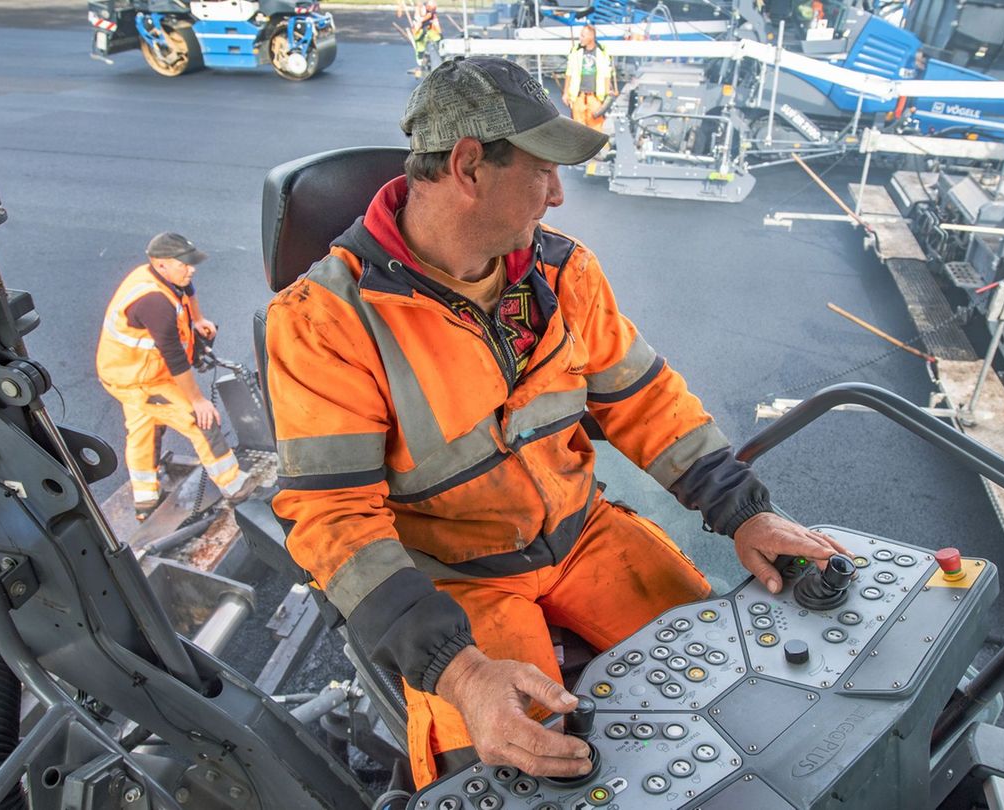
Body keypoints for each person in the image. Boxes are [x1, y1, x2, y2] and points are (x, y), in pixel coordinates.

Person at [265, 56, 845, 789]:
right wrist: (461, 671)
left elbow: (643, 398)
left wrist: (746, 514)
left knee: (746, 683)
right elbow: (333, 518)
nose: (558, 195)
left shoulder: (564, 273)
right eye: (542, 172)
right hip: (457, 583)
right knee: (518, 779)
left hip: (585, 536)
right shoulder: (324, 323)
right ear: (470, 166)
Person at [96, 232, 248, 520]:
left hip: (129, 371)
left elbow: (187, 289)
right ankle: (235, 486)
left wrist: (198, 319)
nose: (191, 269)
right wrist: (198, 399)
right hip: (139, 380)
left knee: (145, 428)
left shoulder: (165, 277)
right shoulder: (154, 302)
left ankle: (145, 500)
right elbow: (176, 359)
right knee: (201, 421)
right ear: (160, 264)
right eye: (184, 264)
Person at [562, 25, 615, 132]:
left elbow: (606, 74)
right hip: (578, 96)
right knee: (578, 129)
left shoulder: (602, 52)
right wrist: (566, 93)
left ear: (591, 36)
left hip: (595, 97)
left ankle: (597, 149)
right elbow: (569, 72)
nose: (580, 38)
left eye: (583, 36)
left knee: (596, 128)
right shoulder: (576, 51)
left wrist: (606, 92)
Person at [409, 0, 442, 78]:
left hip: (429, 30)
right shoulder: (421, 10)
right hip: (420, 30)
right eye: (432, 8)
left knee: (437, 38)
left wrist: (440, 33)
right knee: (420, 47)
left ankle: (438, 54)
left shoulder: (432, 13)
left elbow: (436, 22)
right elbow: (418, 21)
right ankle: (421, 63)